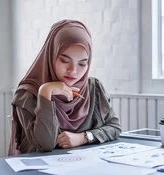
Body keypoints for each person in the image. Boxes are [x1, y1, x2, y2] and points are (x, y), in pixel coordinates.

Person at [8, 19, 121, 156]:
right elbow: (46, 144)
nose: (73, 71)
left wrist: (83, 137)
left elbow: (114, 127)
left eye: (82, 64)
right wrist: (45, 92)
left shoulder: (94, 88)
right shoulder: (27, 93)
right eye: (65, 61)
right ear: (50, 55)